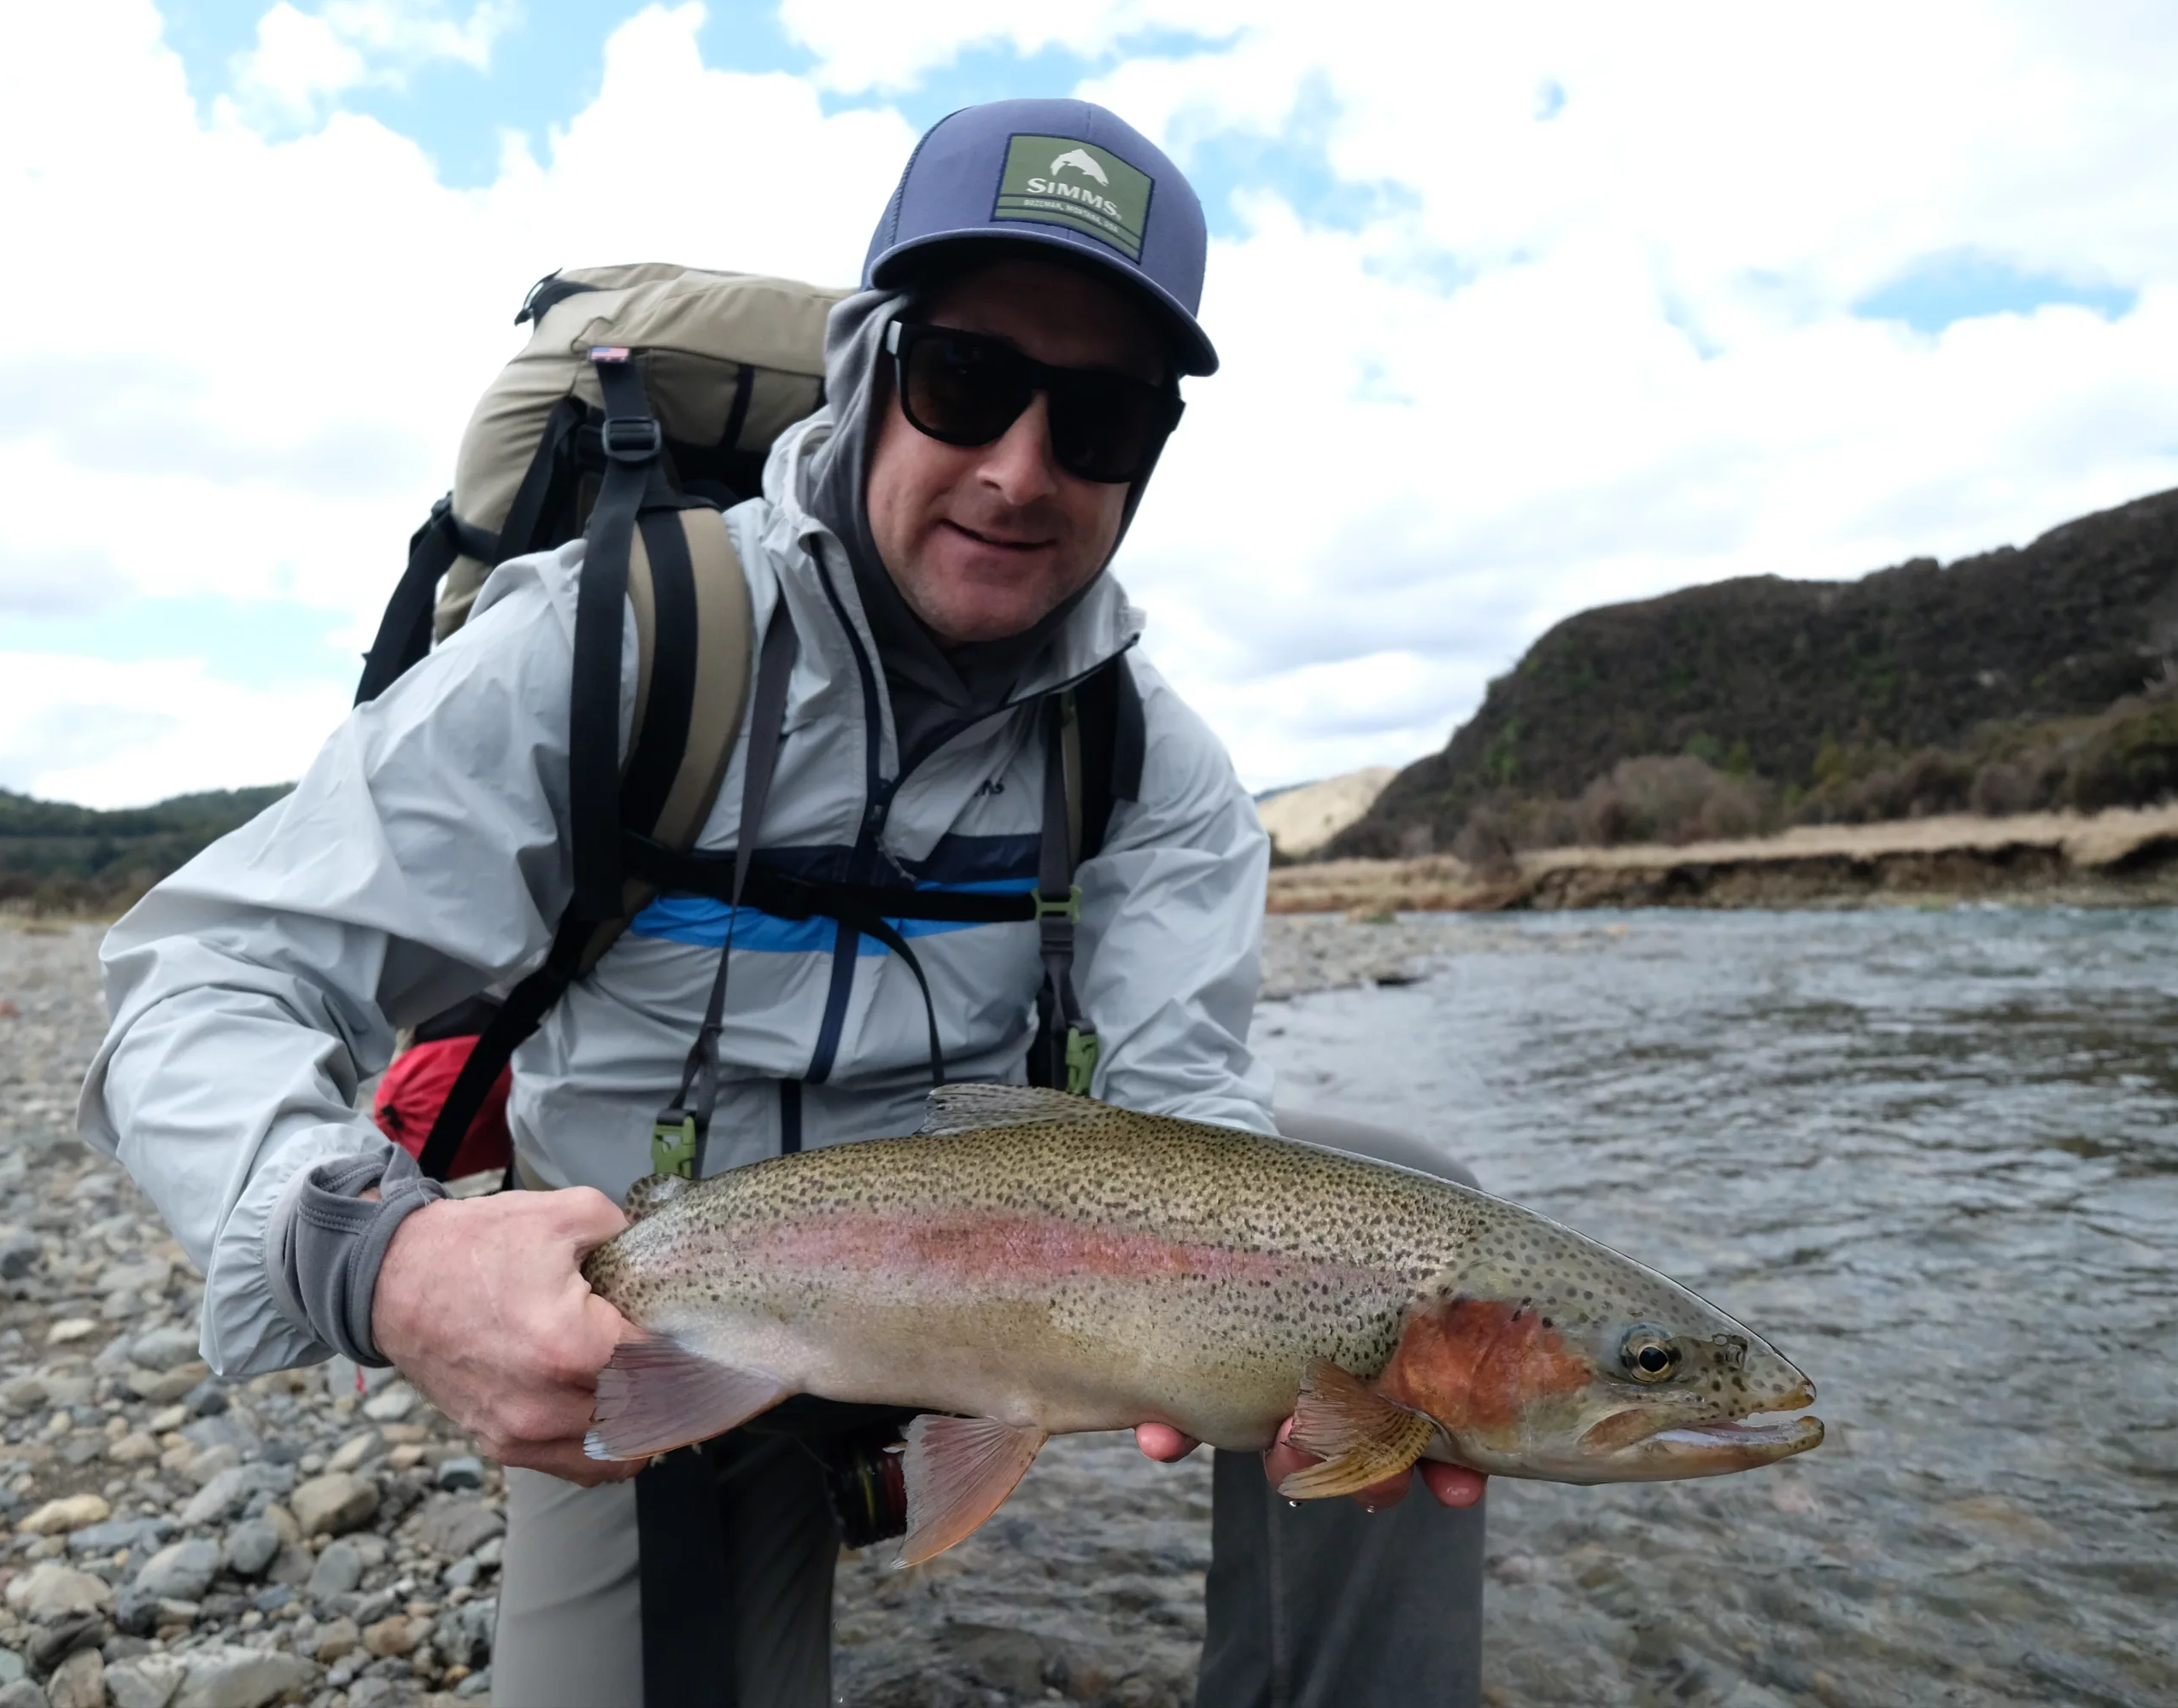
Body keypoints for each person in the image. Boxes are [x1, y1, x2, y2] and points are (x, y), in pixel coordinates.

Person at [81, 97, 1485, 1708]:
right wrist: (386, 1265)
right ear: (870, 368)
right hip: (663, 1301)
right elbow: (198, 980)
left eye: (1097, 420)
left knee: (1402, 1223)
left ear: (1147, 459)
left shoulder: (1151, 762)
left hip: (998, 1306)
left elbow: (1181, 1121)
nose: (1022, 471)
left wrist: (1317, 1348)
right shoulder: (614, 650)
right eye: (967, 381)